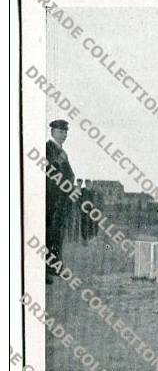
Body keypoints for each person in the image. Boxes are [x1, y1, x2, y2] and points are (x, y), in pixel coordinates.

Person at [46, 119, 75, 284]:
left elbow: (68, 174)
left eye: (65, 132)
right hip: (52, 199)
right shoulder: (48, 149)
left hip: (62, 200)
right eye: (60, 132)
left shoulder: (63, 152)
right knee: (49, 234)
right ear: (52, 133)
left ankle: (57, 266)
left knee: (58, 234)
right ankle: (47, 271)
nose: (63, 135)